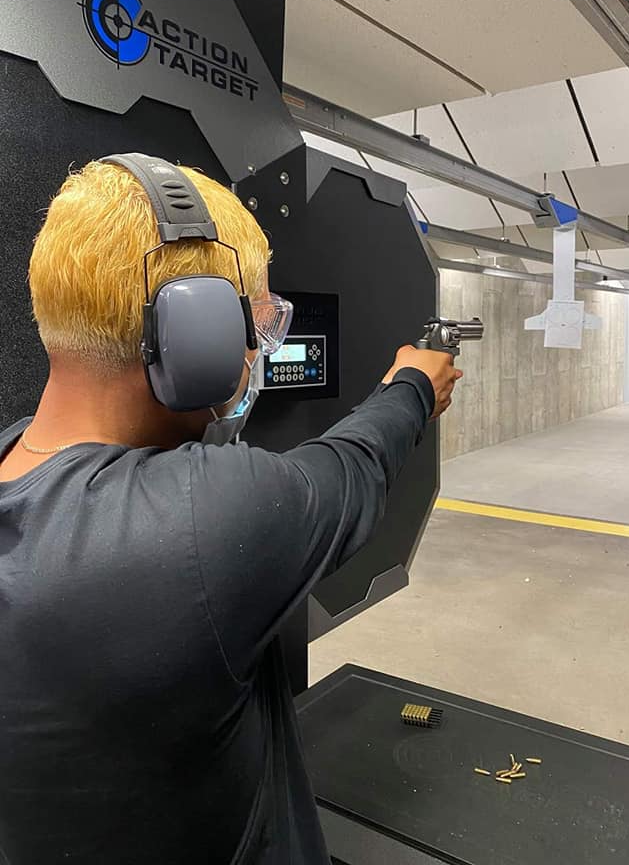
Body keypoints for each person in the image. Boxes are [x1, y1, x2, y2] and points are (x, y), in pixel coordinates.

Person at [0, 158, 461, 864]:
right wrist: (413, 386)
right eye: (256, 323)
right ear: (196, 335)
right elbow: (354, 467)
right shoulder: (198, 519)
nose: (256, 351)